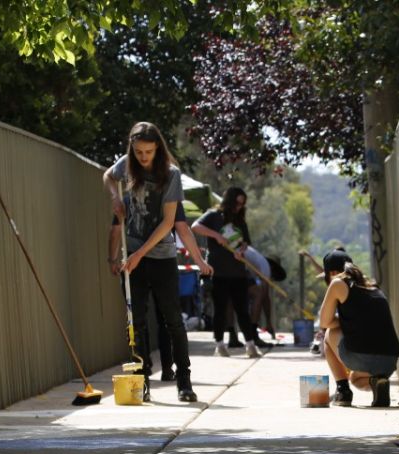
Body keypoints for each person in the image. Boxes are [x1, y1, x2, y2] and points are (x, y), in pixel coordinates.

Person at [102, 122, 198, 402]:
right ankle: (141, 381)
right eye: (139, 152)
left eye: (149, 152)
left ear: (158, 149)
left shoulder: (170, 174)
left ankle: (184, 382)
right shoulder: (127, 164)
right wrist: (115, 199)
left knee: (172, 321)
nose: (144, 158)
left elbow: (169, 222)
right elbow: (108, 176)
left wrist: (139, 253)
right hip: (132, 259)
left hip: (160, 257)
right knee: (136, 322)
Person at [106, 199, 210, 381]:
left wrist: (113, 258)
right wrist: (199, 261)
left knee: (140, 321)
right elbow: (182, 229)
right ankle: (165, 373)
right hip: (155, 261)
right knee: (164, 320)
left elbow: (116, 229)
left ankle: (149, 375)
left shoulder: (131, 197)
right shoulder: (162, 195)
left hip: (138, 259)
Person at [317, 248, 399, 407]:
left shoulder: (338, 283)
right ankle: (378, 382)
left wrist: (337, 322)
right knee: (355, 379)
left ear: (333, 272)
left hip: (362, 358)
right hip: (389, 362)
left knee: (329, 334)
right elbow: (362, 319)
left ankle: (343, 392)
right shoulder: (371, 284)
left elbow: (324, 322)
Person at [192, 188, 272, 358]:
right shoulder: (213, 215)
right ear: (229, 201)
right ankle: (220, 345)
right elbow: (195, 226)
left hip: (238, 272)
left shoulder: (240, 220)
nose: (239, 206)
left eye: (242, 204)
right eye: (237, 202)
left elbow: (245, 242)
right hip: (218, 271)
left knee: (242, 309)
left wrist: (241, 250)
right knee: (220, 309)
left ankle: (250, 345)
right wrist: (216, 235)